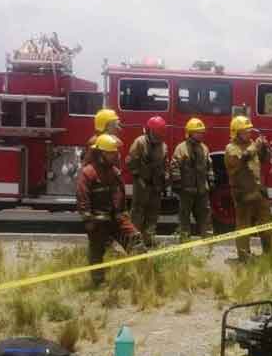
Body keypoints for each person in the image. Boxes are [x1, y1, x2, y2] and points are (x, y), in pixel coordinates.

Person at [77, 134, 140, 287]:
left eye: (115, 152)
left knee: (137, 244)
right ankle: (98, 283)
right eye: (112, 152)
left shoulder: (115, 172)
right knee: (97, 253)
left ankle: (142, 279)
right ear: (101, 154)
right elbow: (82, 198)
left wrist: (124, 216)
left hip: (117, 220)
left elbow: (121, 196)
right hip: (98, 222)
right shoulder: (88, 173)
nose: (116, 155)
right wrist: (88, 220)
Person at [224, 115, 272, 261]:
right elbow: (241, 160)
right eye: (245, 131)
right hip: (243, 193)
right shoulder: (231, 148)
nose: (249, 133)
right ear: (236, 133)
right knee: (244, 226)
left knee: (266, 222)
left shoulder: (252, 144)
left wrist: (264, 148)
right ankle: (244, 255)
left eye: (249, 131)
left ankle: (269, 252)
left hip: (258, 192)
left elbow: (264, 160)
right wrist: (255, 147)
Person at [126, 115, 168, 248]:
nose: (158, 136)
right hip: (142, 183)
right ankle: (133, 242)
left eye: (160, 132)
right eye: (156, 132)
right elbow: (131, 161)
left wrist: (165, 179)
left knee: (153, 213)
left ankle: (148, 240)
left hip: (156, 185)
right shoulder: (140, 142)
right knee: (137, 213)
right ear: (150, 130)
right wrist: (138, 177)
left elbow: (165, 163)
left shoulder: (163, 146)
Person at [170, 117, 215, 241]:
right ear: (189, 133)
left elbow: (209, 165)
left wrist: (211, 180)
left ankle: (208, 241)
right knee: (184, 217)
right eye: (198, 132)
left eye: (202, 132)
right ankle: (185, 242)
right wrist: (177, 182)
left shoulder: (204, 148)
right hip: (186, 190)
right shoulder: (181, 148)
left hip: (202, 190)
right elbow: (174, 165)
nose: (201, 135)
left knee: (205, 216)